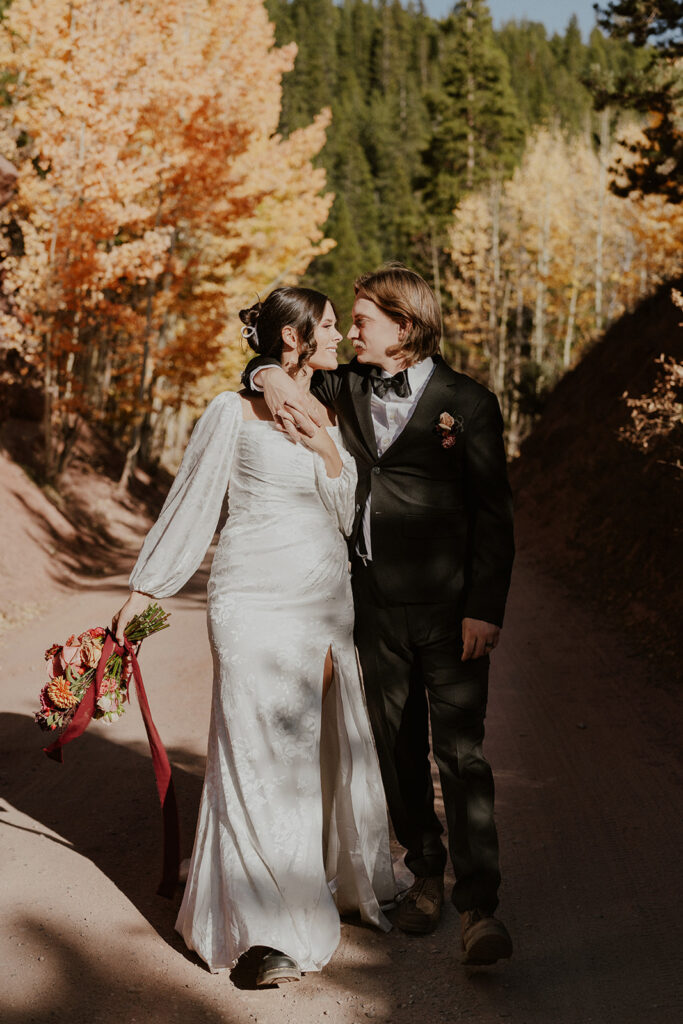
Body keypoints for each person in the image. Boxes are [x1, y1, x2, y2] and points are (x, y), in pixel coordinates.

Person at [112, 287, 395, 984]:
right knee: (247, 750)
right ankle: (260, 927)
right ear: (293, 339)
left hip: (321, 601)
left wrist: (328, 449)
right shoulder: (231, 409)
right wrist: (146, 591)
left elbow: (345, 510)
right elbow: (193, 504)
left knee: (298, 754)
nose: (337, 337)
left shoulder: (336, 408)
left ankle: (295, 894)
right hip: (246, 599)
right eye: (326, 327)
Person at [243, 265, 515, 965]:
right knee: (394, 746)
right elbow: (281, 363)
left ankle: (479, 904)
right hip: (370, 605)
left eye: (362, 319)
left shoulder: (469, 403)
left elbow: (493, 514)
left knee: (460, 754)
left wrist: (485, 609)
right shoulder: (349, 384)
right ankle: (424, 873)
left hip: (452, 610)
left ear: (404, 324)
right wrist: (264, 375)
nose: (351, 331)